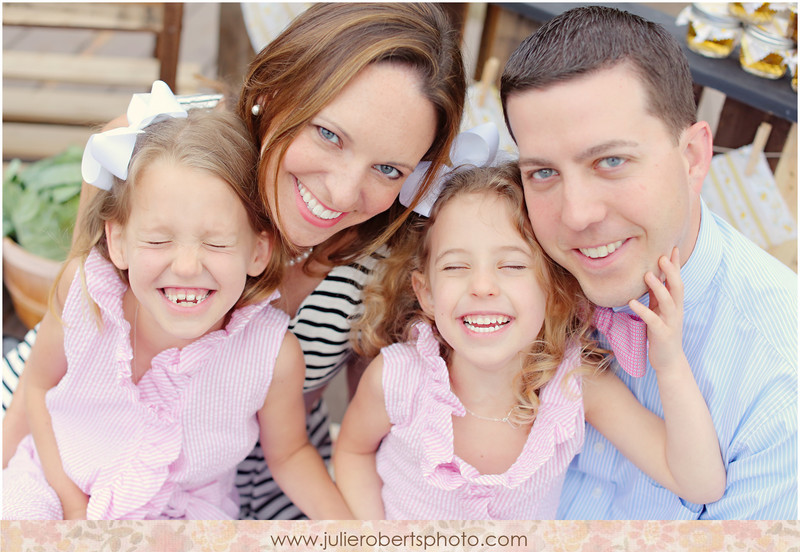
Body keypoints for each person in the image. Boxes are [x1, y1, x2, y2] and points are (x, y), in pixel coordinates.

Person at [2, 3, 467, 520]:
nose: (342, 191)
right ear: (274, 92)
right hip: (76, 424)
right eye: (329, 134)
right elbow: (67, 326)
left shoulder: (390, 257)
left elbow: (362, 431)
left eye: (387, 167)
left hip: (237, 471)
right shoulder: (152, 155)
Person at [2, 82, 353, 520]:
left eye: (218, 244)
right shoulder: (84, 289)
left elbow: (289, 454)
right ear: (118, 242)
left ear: (258, 251)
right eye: (158, 239)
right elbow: (37, 387)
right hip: (53, 484)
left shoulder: (273, 355)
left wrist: (358, 534)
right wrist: (74, 510)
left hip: (181, 516)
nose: (187, 266)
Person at [500, 6, 797, 519]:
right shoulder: (507, 275)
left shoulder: (779, 375)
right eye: (543, 172)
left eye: (610, 161)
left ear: (693, 158)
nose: (577, 215)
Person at [333, 162, 725, 519]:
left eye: (512, 265)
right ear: (427, 293)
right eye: (455, 266)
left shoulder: (573, 387)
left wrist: (669, 364)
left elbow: (699, 484)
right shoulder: (398, 377)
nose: (483, 286)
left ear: (553, 290)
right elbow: (352, 451)